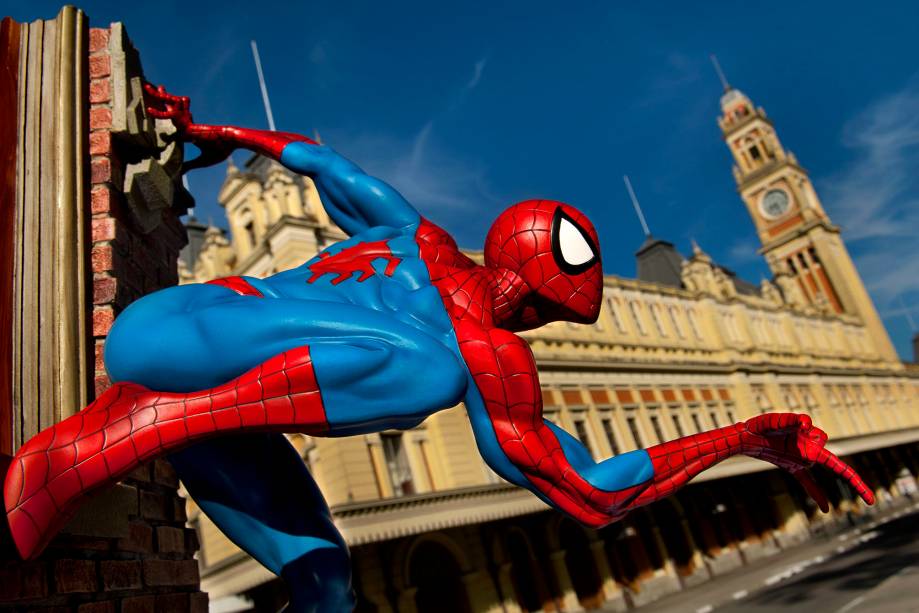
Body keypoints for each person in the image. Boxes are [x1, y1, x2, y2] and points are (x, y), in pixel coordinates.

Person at [4, 84, 874, 612]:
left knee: (328, 585)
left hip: (211, 403)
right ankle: (91, 450)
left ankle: (132, 434)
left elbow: (313, 156)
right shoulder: (466, 324)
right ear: (544, 295)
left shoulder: (412, 234)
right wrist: (741, 436)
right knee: (429, 363)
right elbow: (594, 494)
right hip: (181, 333)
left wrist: (211, 132)